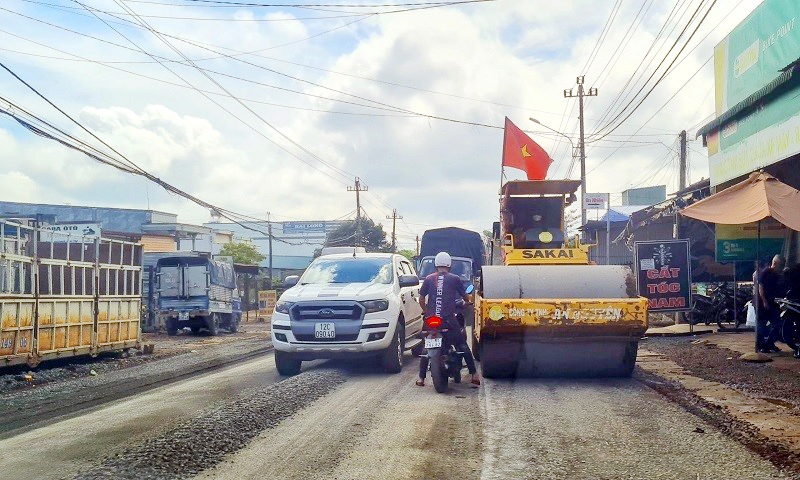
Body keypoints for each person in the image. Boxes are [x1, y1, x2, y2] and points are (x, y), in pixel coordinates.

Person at [416, 251, 480, 387]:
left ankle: (421, 378)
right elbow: (465, 297)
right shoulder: (455, 278)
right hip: (448, 320)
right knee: (462, 343)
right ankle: (474, 374)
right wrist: (468, 301)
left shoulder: (428, 278)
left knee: (427, 346)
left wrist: (426, 311)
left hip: (432, 319)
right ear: (449, 265)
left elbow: (421, 298)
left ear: (436, 265)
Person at [758, 255, 784, 353]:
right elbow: (761, 288)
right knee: (761, 325)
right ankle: (762, 346)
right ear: (776, 263)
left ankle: (769, 343)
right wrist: (764, 301)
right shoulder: (765, 273)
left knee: (777, 325)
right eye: (781, 265)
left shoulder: (777, 275)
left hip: (773, 303)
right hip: (763, 304)